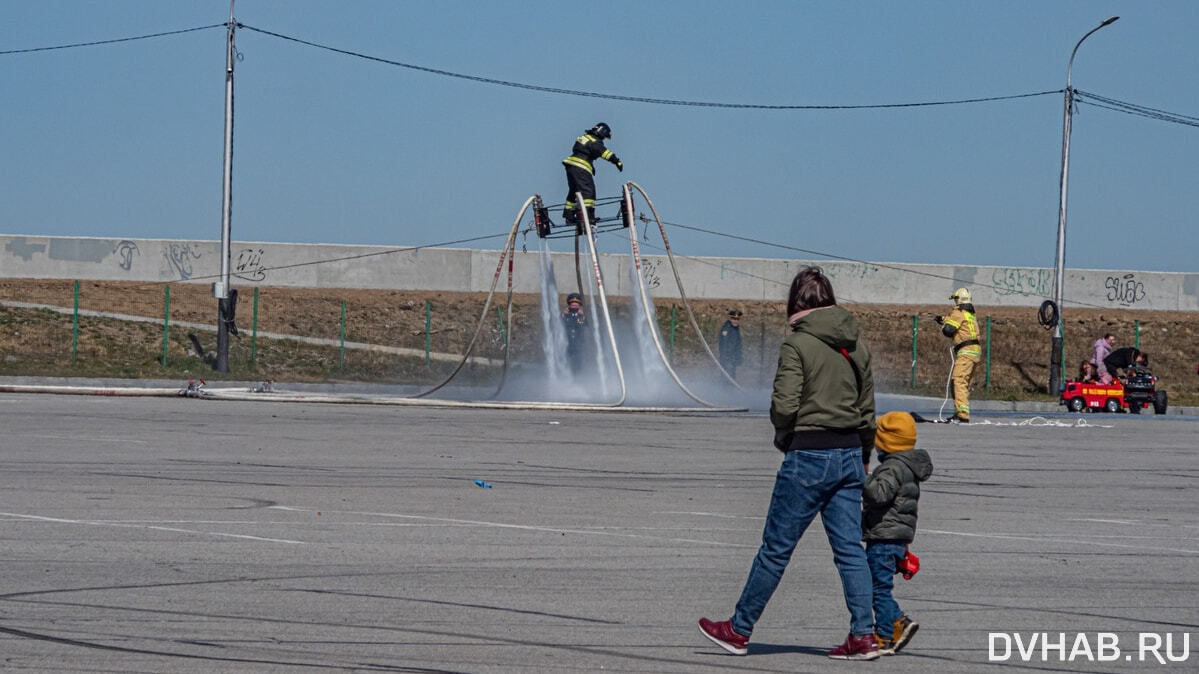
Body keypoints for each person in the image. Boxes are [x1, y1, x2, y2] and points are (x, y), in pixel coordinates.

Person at [698, 266, 880, 661]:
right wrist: (863, 454)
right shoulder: (855, 344)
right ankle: (864, 634)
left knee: (776, 549)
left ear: (795, 304)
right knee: (850, 550)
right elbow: (867, 409)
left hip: (809, 455)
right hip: (850, 452)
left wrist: (785, 437)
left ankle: (739, 629)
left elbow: (784, 405)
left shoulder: (797, 345)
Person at [862, 412, 932, 656]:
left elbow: (879, 494)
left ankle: (889, 630)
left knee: (877, 588)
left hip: (883, 537)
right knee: (878, 586)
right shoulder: (908, 465)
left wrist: (864, 479)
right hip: (897, 537)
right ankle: (893, 626)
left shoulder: (892, 468)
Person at [562, 122, 622, 229]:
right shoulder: (595, 142)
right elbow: (604, 153)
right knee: (588, 191)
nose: (603, 140)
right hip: (581, 167)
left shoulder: (584, 138)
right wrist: (616, 161)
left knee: (574, 191)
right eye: (604, 137)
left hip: (571, 165)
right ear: (601, 133)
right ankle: (588, 217)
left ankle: (569, 215)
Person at [936, 288, 981, 423]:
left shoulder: (958, 311)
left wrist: (944, 326)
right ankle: (961, 411)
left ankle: (962, 414)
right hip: (975, 352)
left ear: (958, 299)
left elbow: (949, 330)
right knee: (964, 383)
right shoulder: (969, 314)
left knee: (958, 380)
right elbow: (959, 323)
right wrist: (944, 319)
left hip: (965, 352)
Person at [561, 292, 588, 374]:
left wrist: (581, 316)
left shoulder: (582, 316)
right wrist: (563, 315)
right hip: (567, 342)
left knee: (578, 362)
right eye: (572, 305)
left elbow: (585, 327)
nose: (574, 307)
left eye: (576, 305)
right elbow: (559, 326)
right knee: (567, 361)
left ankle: (578, 376)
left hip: (578, 343)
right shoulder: (565, 315)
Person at [718, 309, 743, 379]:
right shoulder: (726, 329)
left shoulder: (736, 329)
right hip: (727, 360)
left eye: (737, 319)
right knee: (726, 379)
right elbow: (723, 345)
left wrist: (738, 358)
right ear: (730, 319)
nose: (735, 321)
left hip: (733, 360)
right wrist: (725, 359)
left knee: (731, 377)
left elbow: (738, 346)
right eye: (734, 319)